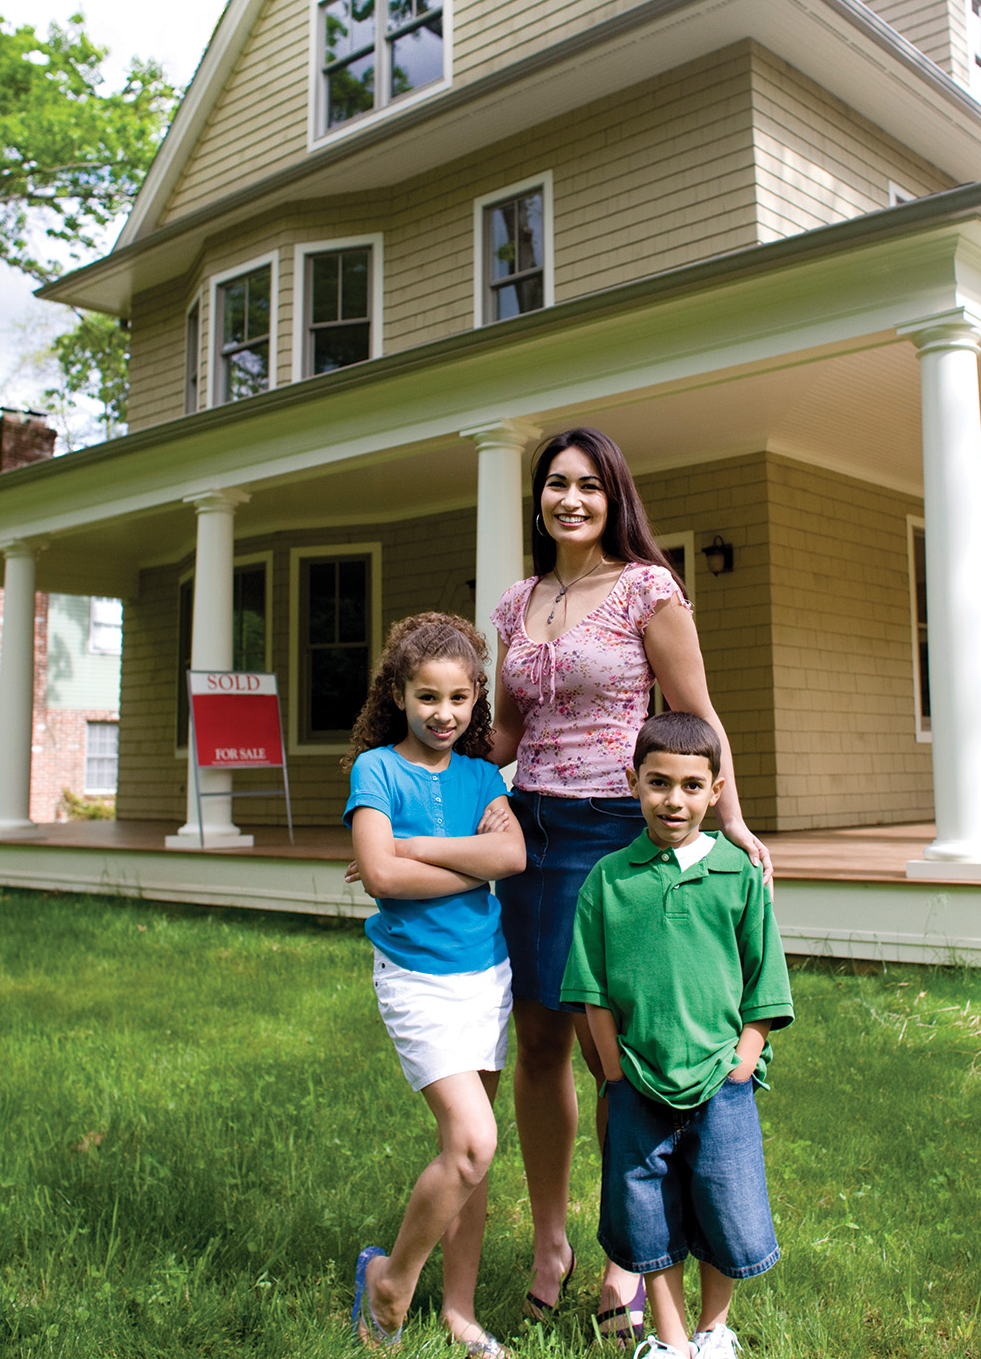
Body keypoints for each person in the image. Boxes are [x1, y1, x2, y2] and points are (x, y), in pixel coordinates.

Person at [490, 426, 772, 1342]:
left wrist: (730, 818)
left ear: (614, 497)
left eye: (588, 486)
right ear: (538, 499)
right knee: (537, 1041)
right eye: (555, 485)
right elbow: (499, 738)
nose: (570, 500)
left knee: (614, 1053)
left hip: (619, 839)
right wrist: (410, 783)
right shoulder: (513, 605)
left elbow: (694, 714)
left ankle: (630, 1252)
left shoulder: (649, 589)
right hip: (531, 831)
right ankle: (549, 1243)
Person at [561, 710, 794, 1359]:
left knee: (726, 1208)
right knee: (648, 1220)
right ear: (634, 782)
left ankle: (713, 1331)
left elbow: (765, 985)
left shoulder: (737, 877)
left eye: (693, 786)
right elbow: (593, 992)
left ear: (716, 791)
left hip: (723, 1082)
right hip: (638, 1084)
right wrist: (614, 1074)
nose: (674, 800)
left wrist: (743, 1061)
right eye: (659, 782)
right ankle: (670, 1342)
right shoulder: (609, 881)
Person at [342, 613, 526, 1354]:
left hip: (487, 974)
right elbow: (380, 876)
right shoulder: (376, 771)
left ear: (476, 696)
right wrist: (470, 855)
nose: (442, 714)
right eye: (426, 697)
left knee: (468, 1158)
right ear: (397, 693)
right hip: (417, 979)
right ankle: (391, 1279)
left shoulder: (485, 775)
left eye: (457, 699)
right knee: (475, 1142)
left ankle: (459, 1311)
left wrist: (417, 847)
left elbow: (512, 861)